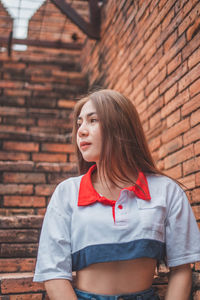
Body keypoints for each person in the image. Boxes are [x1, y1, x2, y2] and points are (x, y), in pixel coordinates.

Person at [34, 89, 200, 300]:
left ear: (120, 126)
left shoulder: (166, 191)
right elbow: (54, 273)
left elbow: (181, 269)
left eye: (92, 120)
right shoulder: (67, 193)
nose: (81, 131)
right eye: (79, 123)